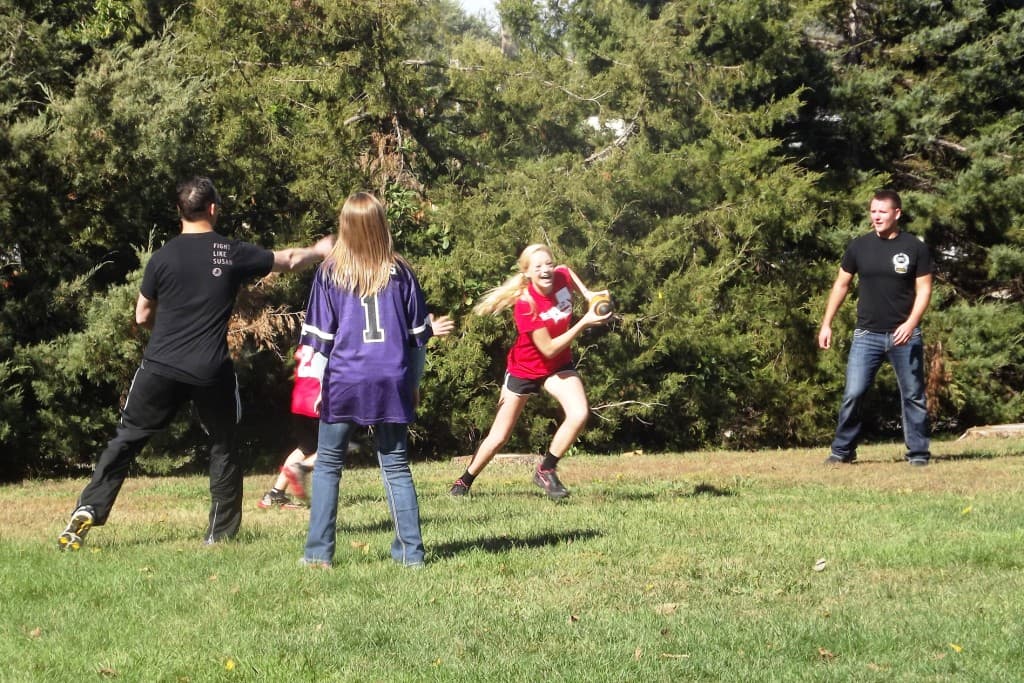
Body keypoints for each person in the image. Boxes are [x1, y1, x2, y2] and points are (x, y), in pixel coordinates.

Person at [57, 176, 334, 550]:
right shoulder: (229, 252)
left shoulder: (163, 257)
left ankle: (88, 508)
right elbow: (286, 260)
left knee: (127, 438)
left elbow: (141, 315)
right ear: (214, 209)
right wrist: (319, 250)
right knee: (223, 443)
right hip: (210, 369)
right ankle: (218, 535)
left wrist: (166, 332)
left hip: (159, 365)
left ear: (179, 211)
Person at [299, 191, 441, 568]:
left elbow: (319, 342)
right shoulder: (402, 272)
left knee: (329, 464)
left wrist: (314, 385)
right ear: (382, 224)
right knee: (395, 466)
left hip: (345, 378)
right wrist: (414, 383)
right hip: (391, 378)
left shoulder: (330, 272)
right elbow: (418, 339)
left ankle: (318, 555)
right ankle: (411, 555)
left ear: (344, 226)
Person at [448, 243, 611, 500]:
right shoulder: (526, 305)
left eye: (549, 263)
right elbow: (548, 349)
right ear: (527, 273)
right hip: (525, 369)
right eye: (538, 267)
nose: (546, 270)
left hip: (558, 367)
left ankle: (546, 470)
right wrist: (585, 322)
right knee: (499, 436)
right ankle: (464, 480)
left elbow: (567, 270)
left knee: (579, 413)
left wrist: (589, 294)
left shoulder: (562, 276)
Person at [259, 313, 454, 510]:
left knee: (305, 448)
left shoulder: (313, 335)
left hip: (300, 400)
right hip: (322, 398)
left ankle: (275, 494)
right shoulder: (341, 332)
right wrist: (426, 331)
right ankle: (301, 468)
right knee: (345, 445)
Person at [818, 189, 934, 466]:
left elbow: (925, 289)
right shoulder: (859, 247)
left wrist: (911, 323)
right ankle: (842, 452)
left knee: (913, 396)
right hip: (866, 335)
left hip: (904, 336)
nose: (876, 216)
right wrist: (826, 324)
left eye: (882, 211)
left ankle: (918, 454)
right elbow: (841, 285)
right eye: (873, 211)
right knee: (853, 393)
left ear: (897, 213)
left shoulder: (914, 248)